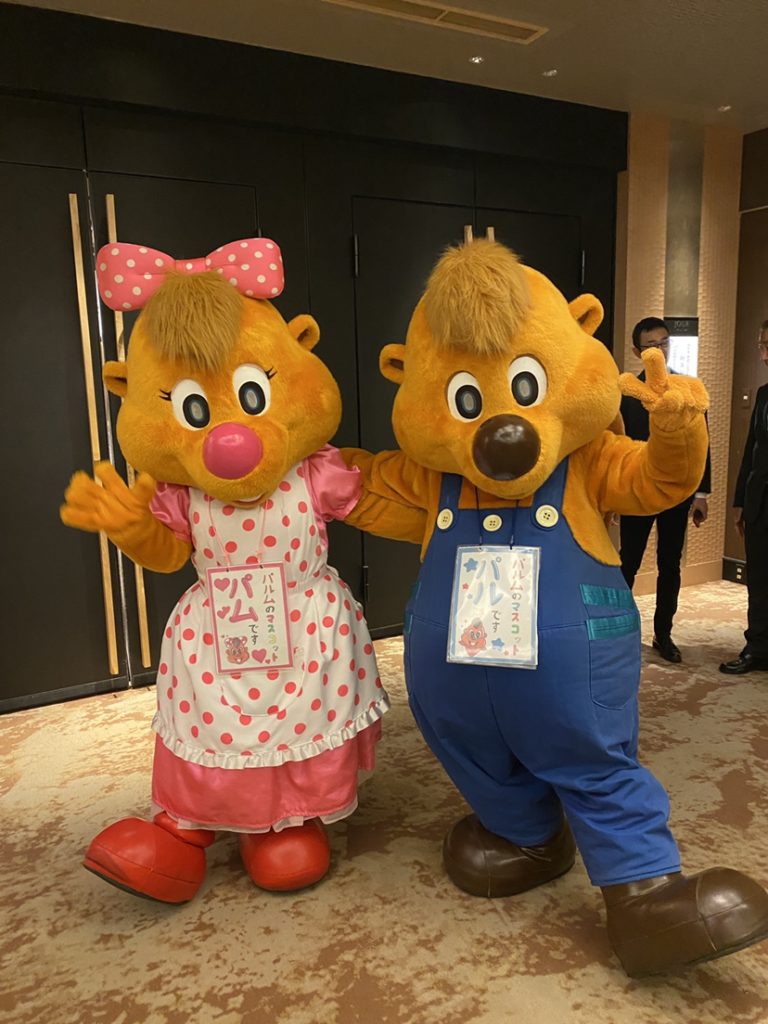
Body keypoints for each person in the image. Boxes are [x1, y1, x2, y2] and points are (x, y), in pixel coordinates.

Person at [619, 317, 711, 663]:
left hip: (677, 493)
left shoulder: (687, 388)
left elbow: (701, 445)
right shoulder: (627, 393)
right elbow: (617, 445)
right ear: (637, 352)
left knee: (669, 565)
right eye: (651, 346)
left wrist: (701, 494)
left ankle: (664, 634)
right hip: (638, 491)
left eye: (664, 343)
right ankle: (620, 630)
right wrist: (614, 495)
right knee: (628, 561)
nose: (659, 351)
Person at [720, 320, 768, 674]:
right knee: (759, 580)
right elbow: (752, 450)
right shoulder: (764, 394)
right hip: (759, 503)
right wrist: (740, 501)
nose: (764, 356)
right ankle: (758, 647)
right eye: (763, 346)